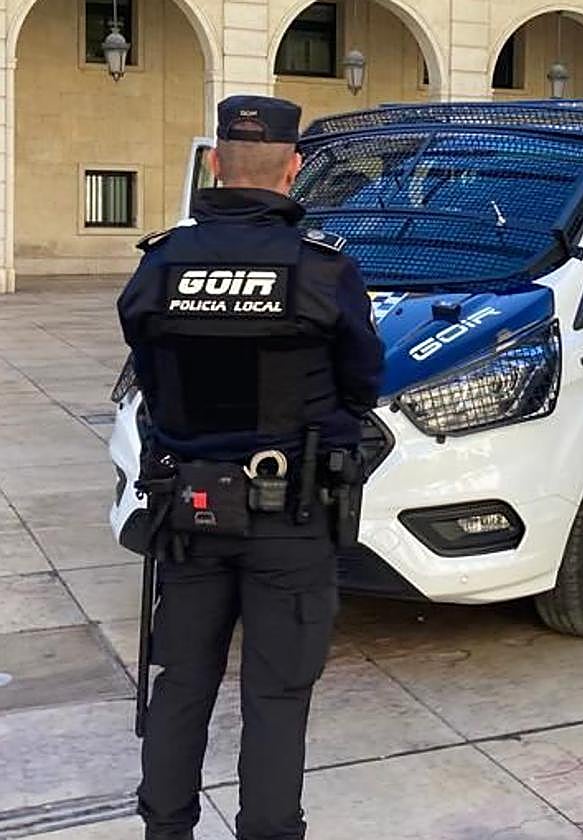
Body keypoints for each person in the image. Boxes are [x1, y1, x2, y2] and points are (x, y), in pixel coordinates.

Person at [117, 95, 384, 840]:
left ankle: (164, 830)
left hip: (188, 512)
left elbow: (147, 367)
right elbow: (364, 383)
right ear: (294, 169)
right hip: (290, 518)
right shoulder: (323, 271)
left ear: (214, 163)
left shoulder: (161, 261)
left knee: (182, 686)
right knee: (276, 697)